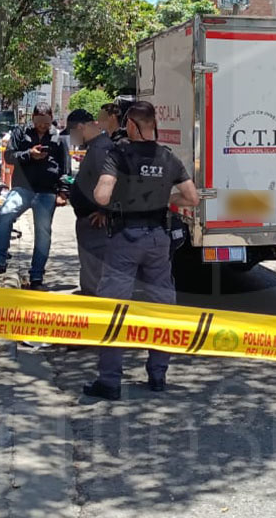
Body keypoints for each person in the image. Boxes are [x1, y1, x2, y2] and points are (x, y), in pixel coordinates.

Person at [84, 101, 199, 401]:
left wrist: (115, 199)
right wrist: (163, 196)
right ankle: (158, 375)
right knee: (161, 306)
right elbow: (192, 198)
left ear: (132, 125)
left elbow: (101, 194)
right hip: (158, 239)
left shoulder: (118, 155)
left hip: (125, 239)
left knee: (114, 309)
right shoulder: (168, 157)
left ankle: (109, 382)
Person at [0, 104, 68, 289]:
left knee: (43, 234)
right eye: (39, 122)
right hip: (23, 188)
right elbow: (10, 156)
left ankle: (36, 277)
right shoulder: (20, 132)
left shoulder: (59, 138)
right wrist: (29, 154)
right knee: (5, 215)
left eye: (46, 122)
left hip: (47, 191)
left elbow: (65, 169)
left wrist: (63, 192)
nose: (42, 125)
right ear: (33, 118)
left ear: (51, 118)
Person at [66, 109, 115, 295]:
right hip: (90, 221)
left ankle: (95, 309)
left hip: (96, 223)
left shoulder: (101, 149)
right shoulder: (96, 147)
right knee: (91, 270)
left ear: (80, 128)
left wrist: (104, 211)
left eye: (72, 133)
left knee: (94, 274)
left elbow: (112, 181)